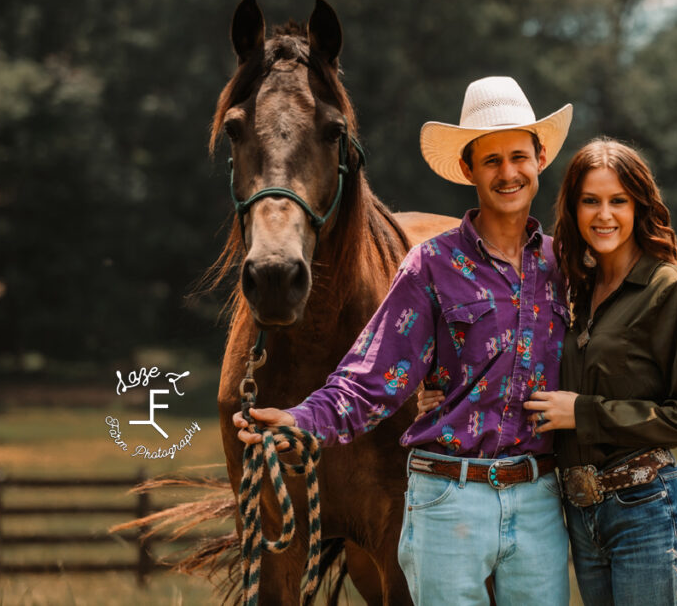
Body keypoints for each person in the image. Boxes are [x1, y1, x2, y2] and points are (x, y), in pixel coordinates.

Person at [233, 75, 575, 605]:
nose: (507, 173)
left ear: (540, 157)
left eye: (518, 156)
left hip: (536, 503)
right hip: (451, 502)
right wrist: (303, 419)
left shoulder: (562, 267)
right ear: (468, 169)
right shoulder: (431, 267)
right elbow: (374, 377)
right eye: (491, 160)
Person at [419, 137, 677, 605]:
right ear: (573, 209)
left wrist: (586, 413)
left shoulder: (668, 288)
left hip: (647, 509)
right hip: (581, 516)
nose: (604, 215)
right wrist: (451, 394)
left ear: (640, 207)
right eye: (591, 201)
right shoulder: (571, 288)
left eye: (619, 201)